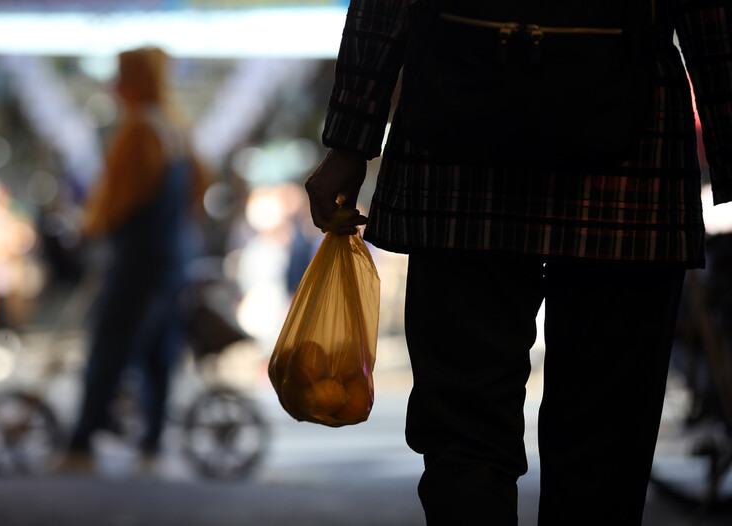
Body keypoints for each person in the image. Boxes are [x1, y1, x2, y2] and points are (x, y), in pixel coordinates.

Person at [305, 0, 731, 524]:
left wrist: (349, 143)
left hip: (456, 159)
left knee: (465, 435)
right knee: (604, 445)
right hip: (630, 167)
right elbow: (713, 16)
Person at [67, 47, 208, 468]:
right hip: (171, 262)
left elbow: (114, 203)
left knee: (109, 350)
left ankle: (80, 445)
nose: (115, 85)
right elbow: (197, 193)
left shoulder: (138, 132)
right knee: (156, 357)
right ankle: (151, 443)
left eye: (121, 75)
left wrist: (86, 227)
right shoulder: (175, 128)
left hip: (135, 264)